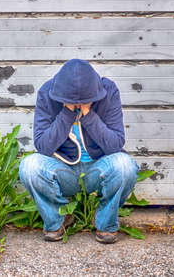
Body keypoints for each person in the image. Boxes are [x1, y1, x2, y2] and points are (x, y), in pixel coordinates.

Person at [19, 59, 139, 244]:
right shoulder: (47, 92)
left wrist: (89, 115)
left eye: (85, 100)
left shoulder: (108, 91)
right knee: (29, 166)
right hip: (63, 169)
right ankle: (60, 218)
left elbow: (115, 145)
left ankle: (104, 223)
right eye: (73, 101)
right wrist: (67, 113)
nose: (78, 104)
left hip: (98, 168)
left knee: (125, 166)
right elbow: (43, 146)